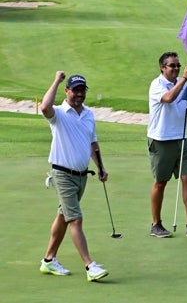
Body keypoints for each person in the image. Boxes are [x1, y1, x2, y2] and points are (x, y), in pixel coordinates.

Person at [39, 71, 109, 281]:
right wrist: (57, 80)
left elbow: (92, 143)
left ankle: (49, 260)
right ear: (67, 91)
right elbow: (44, 108)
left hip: (81, 176)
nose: (79, 94)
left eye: (82, 90)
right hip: (62, 173)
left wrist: (101, 167)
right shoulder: (59, 113)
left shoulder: (88, 114)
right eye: (75, 90)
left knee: (63, 215)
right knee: (75, 219)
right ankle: (90, 266)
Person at [147, 51, 187, 238]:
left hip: (182, 138)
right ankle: (156, 224)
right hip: (161, 140)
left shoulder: (183, 85)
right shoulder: (157, 85)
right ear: (162, 67)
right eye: (172, 65)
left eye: (177, 65)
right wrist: (183, 79)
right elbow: (168, 99)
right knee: (161, 182)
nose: (176, 68)